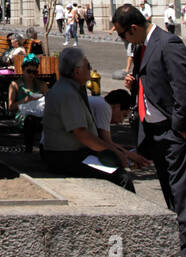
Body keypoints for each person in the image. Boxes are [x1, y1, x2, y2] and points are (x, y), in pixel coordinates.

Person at [114, 4, 186, 257]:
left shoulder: (168, 43)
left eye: (122, 35)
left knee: (182, 196)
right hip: (153, 132)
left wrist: (179, 129)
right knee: (171, 194)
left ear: (133, 28)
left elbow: (183, 89)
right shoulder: (142, 46)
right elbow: (154, 85)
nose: (123, 41)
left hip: (171, 133)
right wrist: (134, 85)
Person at [41, 46, 137, 190]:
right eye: (88, 66)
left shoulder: (72, 89)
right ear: (76, 70)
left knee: (115, 166)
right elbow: (81, 133)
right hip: (66, 156)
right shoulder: (67, 93)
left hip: (73, 153)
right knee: (122, 177)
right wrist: (113, 152)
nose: (90, 70)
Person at [8, 54, 50, 152]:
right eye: (29, 71)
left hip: (40, 113)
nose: (32, 74)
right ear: (23, 70)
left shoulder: (41, 85)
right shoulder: (15, 85)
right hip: (23, 115)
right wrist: (26, 100)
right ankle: (29, 148)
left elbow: (49, 101)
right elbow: (11, 107)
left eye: (34, 72)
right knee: (31, 120)